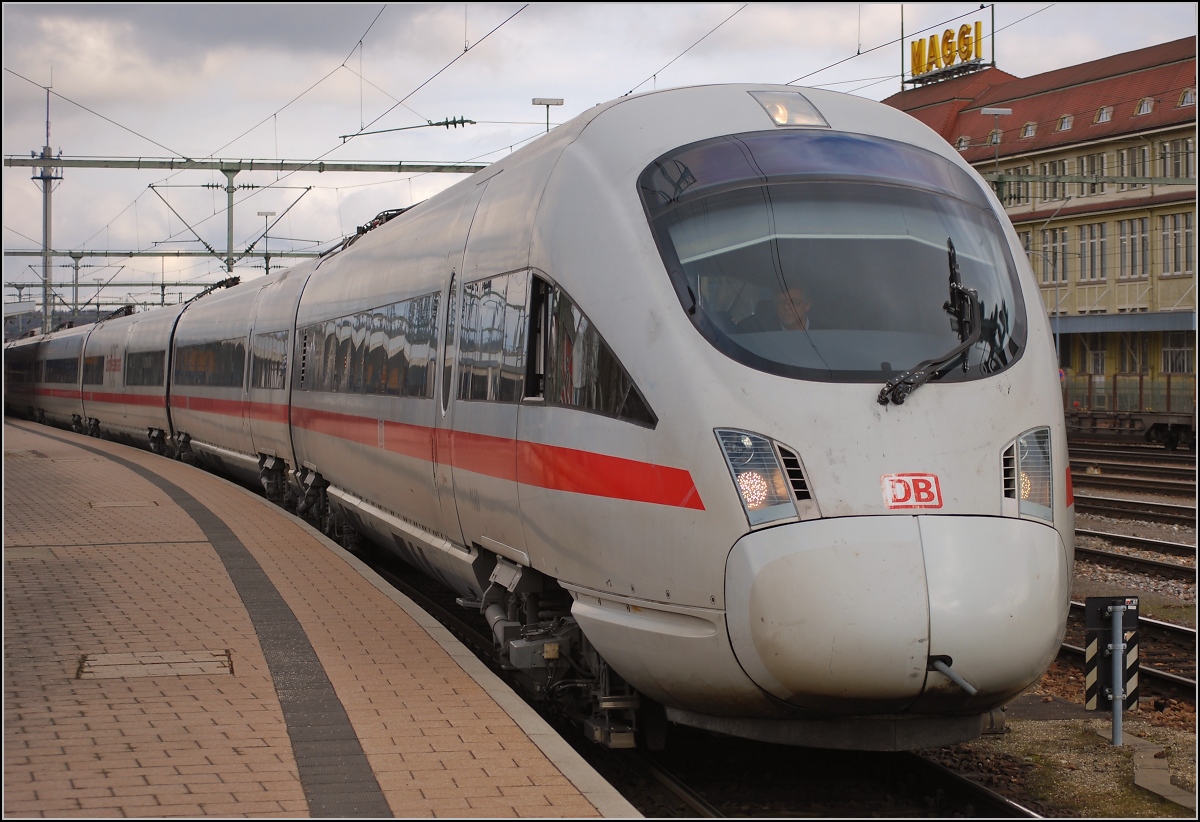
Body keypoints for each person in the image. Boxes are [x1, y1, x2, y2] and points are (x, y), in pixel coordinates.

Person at [737, 285, 811, 332]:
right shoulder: (760, 331)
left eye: (793, 302)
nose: (786, 307)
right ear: (775, 305)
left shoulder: (817, 332)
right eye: (781, 302)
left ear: (807, 305)